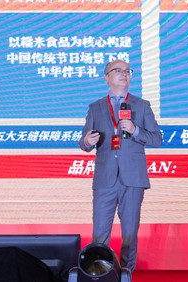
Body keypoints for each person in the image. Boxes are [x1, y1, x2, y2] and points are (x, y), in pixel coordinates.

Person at [79, 59, 162, 272]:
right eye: (118, 70)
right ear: (106, 77)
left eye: (127, 71)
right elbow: (84, 143)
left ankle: (126, 273)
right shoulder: (95, 107)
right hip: (105, 178)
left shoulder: (142, 105)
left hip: (133, 178)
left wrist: (135, 130)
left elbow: (157, 139)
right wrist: (87, 141)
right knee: (99, 233)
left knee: (130, 233)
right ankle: (99, 272)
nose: (124, 74)